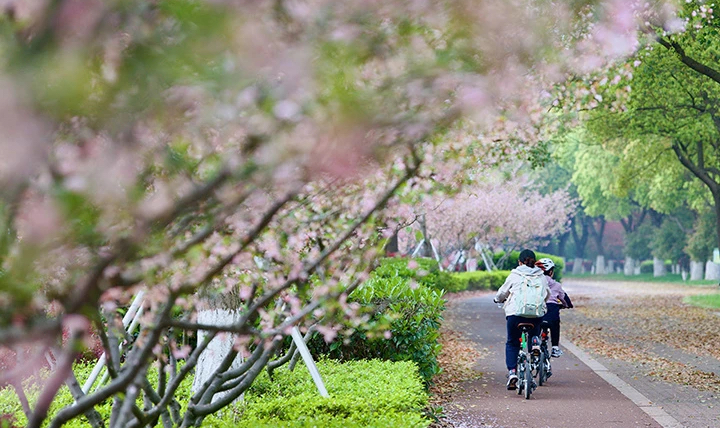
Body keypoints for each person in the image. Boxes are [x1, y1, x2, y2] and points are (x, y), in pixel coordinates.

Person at [494, 249, 550, 390]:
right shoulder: (541, 275)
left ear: (520, 262)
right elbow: (546, 294)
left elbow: (502, 293)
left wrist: (497, 299)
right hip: (535, 315)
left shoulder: (515, 275)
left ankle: (512, 373)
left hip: (515, 315)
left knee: (512, 343)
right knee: (535, 329)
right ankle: (535, 343)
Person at [535, 258, 567, 358]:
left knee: (535, 327)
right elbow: (564, 298)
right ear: (551, 272)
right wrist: (566, 305)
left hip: (537, 312)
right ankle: (555, 348)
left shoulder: (534, 283)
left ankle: (534, 345)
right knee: (555, 325)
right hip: (551, 313)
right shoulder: (556, 285)